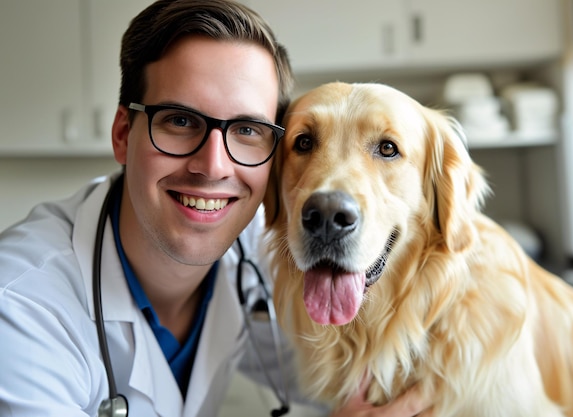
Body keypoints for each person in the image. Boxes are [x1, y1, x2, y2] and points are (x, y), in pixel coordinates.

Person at [0, 1, 431, 416]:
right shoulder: (20, 307)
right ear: (121, 135)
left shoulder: (259, 245)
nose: (213, 166)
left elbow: (344, 378)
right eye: (180, 120)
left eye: (247, 129)